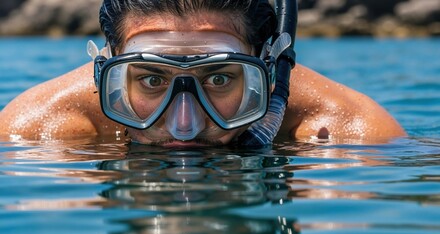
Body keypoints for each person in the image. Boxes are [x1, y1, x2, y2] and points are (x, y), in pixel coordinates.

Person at [0, 0, 406, 147]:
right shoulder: (38, 128)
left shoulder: (346, 131)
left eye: (219, 78)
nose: (184, 127)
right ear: (106, 68)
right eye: (152, 79)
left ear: (267, 67)